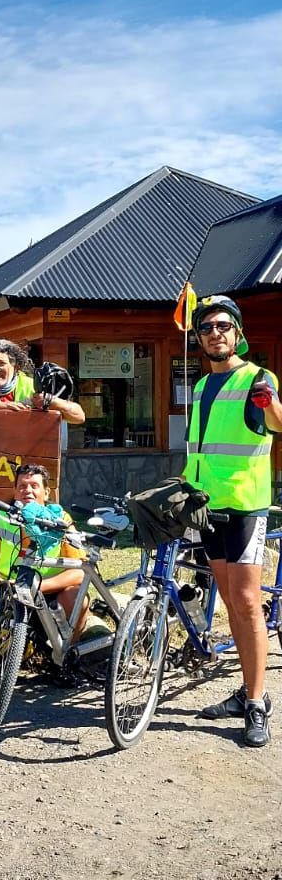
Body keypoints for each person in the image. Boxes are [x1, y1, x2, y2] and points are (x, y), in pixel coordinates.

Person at [184, 294, 282, 748]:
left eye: (223, 326)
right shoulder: (202, 387)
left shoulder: (258, 378)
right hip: (206, 507)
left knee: (244, 604)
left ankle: (258, 701)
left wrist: (269, 404)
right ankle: (246, 688)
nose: (215, 334)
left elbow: (280, 425)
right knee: (228, 600)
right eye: (207, 329)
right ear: (200, 339)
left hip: (244, 506)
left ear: (238, 333)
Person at [0, 462, 87, 643]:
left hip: (49, 592)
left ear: (46, 492)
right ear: (15, 491)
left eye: (34, 486)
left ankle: (65, 658)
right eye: (22, 486)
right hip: (8, 590)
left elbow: (80, 571)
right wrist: (1, 584)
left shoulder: (62, 520)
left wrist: (37, 588)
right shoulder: (3, 519)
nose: (27, 490)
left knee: (78, 598)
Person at [0, 338, 85, 429]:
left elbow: (79, 417)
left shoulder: (31, 385)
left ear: (16, 366)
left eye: (1, 363)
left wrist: (52, 401)